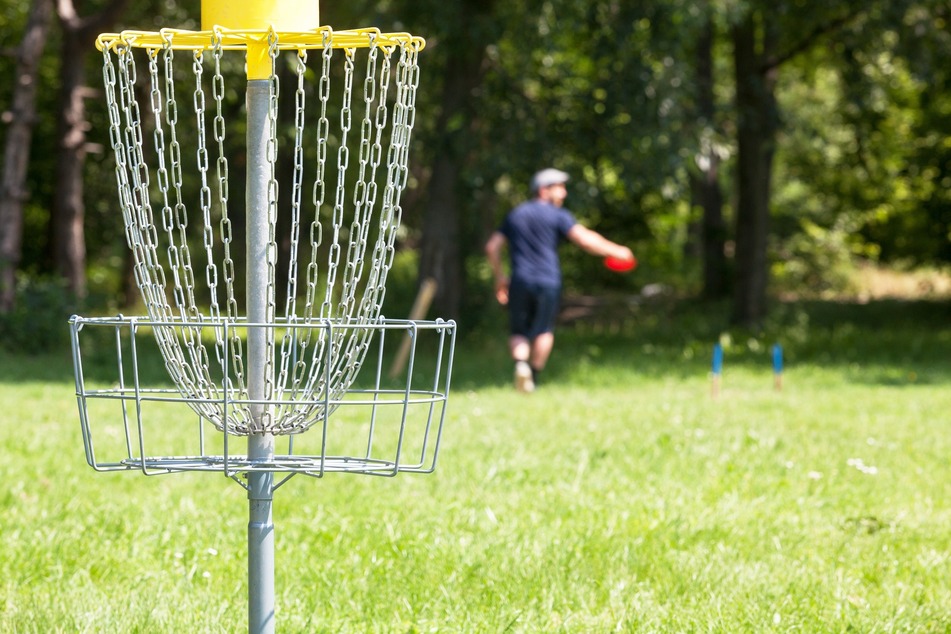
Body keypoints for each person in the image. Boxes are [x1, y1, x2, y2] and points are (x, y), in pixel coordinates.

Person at [484, 168, 635, 393]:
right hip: (548, 280)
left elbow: (492, 247)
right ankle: (533, 378)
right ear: (544, 190)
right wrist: (616, 250)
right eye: (559, 188)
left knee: (519, 331)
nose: (564, 194)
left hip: (520, 280)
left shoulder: (516, 214)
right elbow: (584, 240)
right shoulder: (558, 216)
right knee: (544, 330)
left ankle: (520, 366)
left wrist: (500, 278)